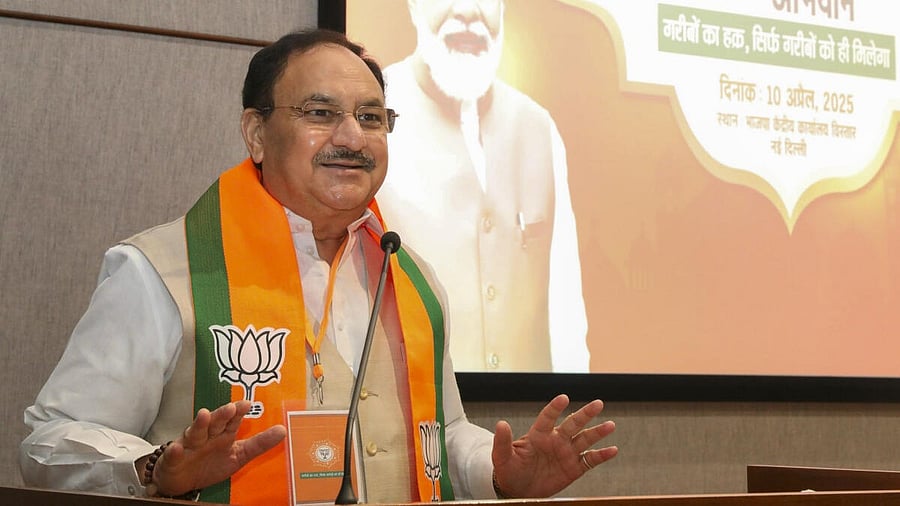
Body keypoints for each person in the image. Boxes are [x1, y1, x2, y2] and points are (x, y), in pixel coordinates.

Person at [19, 29, 617, 504]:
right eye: (320, 113)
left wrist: (503, 475)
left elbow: (439, 435)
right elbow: (47, 442)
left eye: (373, 116)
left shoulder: (407, 276)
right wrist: (155, 468)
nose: (352, 137)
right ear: (256, 132)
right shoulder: (162, 271)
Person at [376, 0, 590, 372]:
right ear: (412, 7)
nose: (468, 12)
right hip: (413, 414)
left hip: (531, 413)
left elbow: (566, 311)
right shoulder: (374, 121)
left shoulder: (538, 125)